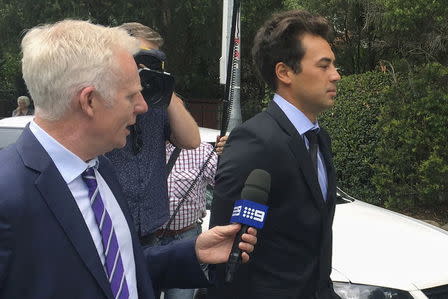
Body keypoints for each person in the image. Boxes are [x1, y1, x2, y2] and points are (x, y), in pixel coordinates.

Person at [0, 19, 257, 299]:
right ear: (89, 101)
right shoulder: (8, 195)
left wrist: (194, 253)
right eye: (131, 95)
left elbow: (120, 269)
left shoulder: (101, 172)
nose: (143, 106)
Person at [208, 10, 341, 299]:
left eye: (333, 65)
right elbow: (226, 257)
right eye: (324, 65)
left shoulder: (319, 138)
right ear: (285, 72)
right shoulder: (256, 141)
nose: (335, 75)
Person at [105, 22, 201, 247]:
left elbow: (191, 140)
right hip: (110, 222)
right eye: (141, 58)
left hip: (149, 224)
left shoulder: (159, 104)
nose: (147, 66)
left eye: (155, 61)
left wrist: (165, 88)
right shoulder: (104, 101)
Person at [153, 141, 217, 299]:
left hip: (186, 239)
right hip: (148, 239)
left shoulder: (202, 151)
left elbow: (226, 181)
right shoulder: (143, 148)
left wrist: (231, 155)